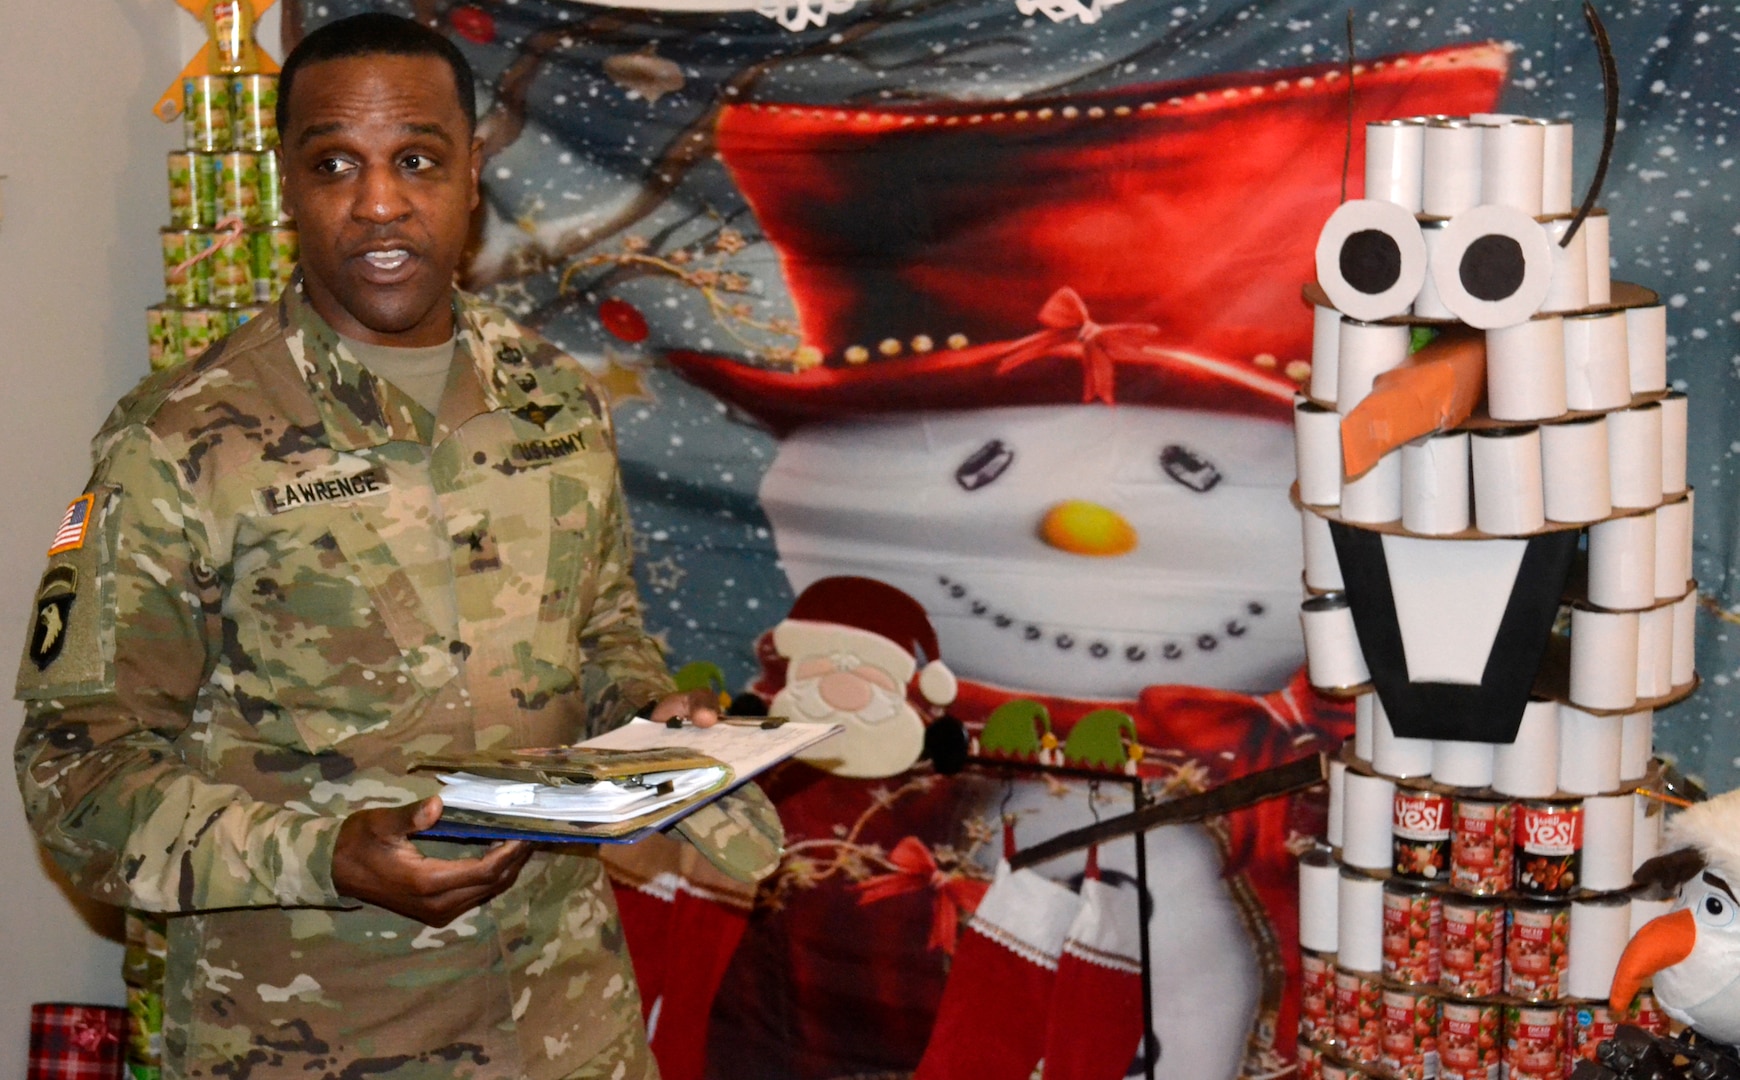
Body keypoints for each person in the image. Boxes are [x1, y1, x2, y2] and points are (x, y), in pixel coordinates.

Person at [14, 13, 782, 1080]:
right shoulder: (177, 443)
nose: (379, 203)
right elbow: (77, 781)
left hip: (563, 1021)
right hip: (314, 1038)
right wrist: (328, 854)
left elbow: (602, 648)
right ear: (289, 184)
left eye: (417, 159)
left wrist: (656, 724)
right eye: (337, 164)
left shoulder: (553, 399)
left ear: (473, 175)